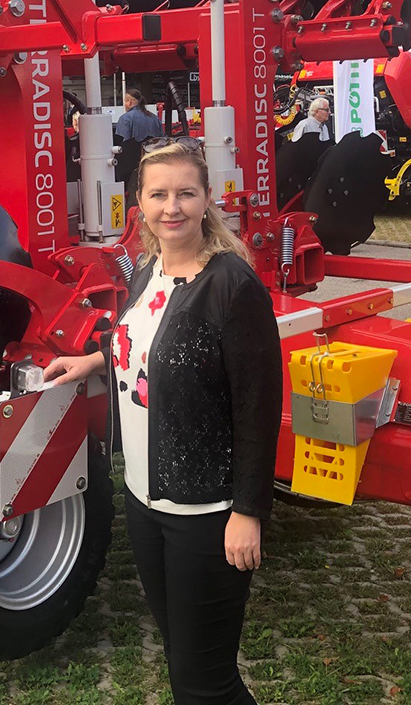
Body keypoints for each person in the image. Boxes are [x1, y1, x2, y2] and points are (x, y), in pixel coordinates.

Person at [45, 139, 281, 705]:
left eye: (185, 194)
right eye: (158, 195)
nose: (171, 207)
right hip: (144, 501)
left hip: (206, 511)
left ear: (207, 200)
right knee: (182, 660)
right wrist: (94, 361)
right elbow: (145, 342)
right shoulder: (148, 271)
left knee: (205, 683)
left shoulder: (231, 285)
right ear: (140, 205)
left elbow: (258, 406)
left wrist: (248, 511)